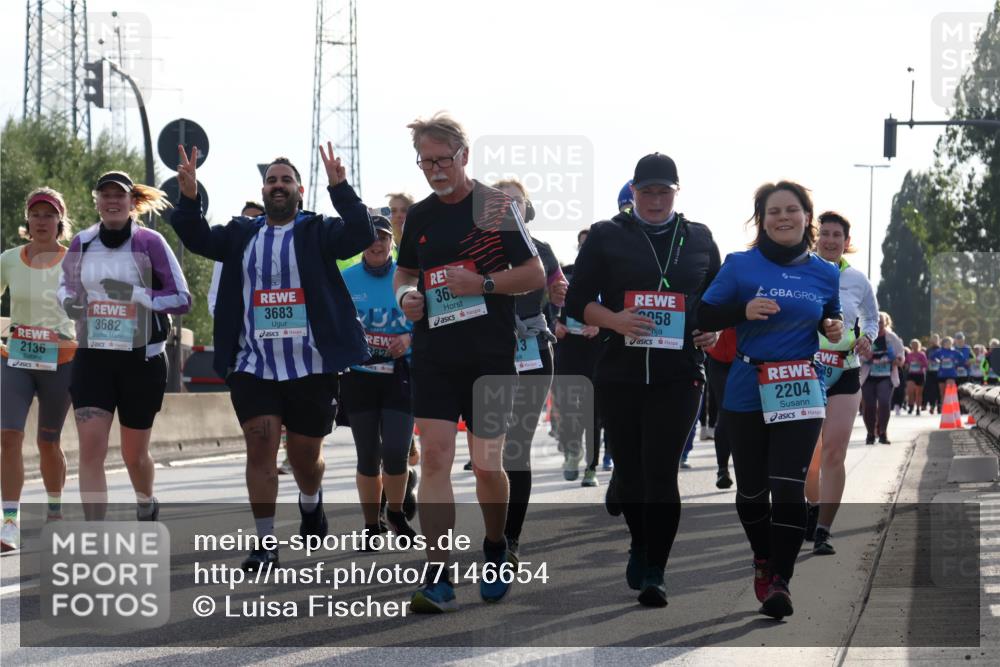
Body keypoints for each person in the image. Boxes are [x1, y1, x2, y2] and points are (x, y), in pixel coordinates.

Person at [170, 144, 374, 570]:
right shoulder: (240, 233)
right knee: (260, 449)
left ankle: (310, 500)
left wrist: (341, 188)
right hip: (254, 364)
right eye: (271, 181)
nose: (278, 186)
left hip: (310, 365)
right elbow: (197, 237)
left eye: (286, 180)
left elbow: (361, 235)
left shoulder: (318, 230)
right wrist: (189, 197)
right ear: (262, 190)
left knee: (304, 458)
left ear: (300, 190)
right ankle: (265, 543)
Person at [394, 113, 544, 612]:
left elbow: (533, 273)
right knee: (435, 458)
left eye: (443, 160)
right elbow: (404, 274)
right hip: (434, 354)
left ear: (464, 155)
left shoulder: (495, 207)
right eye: (426, 162)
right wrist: (406, 298)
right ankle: (438, 573)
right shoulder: (419, 216)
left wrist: (482, 284)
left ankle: (496, 546)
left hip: (489, 355)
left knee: (485, 465)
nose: (435, 170)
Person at [566, 153, 721, 608]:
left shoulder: (699, 237)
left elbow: (716, 300)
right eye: (647, 191)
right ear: (633, 192)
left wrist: (713, 330)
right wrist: (614, 320)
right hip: (621, 371)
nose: (655, 200)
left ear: (677, 192)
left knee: (661, 471)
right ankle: (639, 539)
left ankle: (656, 569)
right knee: (631, 474)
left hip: (680, 373)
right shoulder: (606, 235)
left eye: (663, 192)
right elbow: (576, 302)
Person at [698, 180, 843, 620]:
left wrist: (833, 326)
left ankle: (781, 579)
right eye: (774, 211)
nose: (783, 217)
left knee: (788, 487)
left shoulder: (825, 272)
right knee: (752, 491)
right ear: (761, 220)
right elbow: (704, 314)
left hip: (800, 386)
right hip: (748, 386)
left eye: (791, 210)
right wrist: (742, 312)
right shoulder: (740, 265)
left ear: (806, 217)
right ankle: (762, 556)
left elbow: (830, 314)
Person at [59, 171, 191, 521]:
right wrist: (69, 303)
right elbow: (65, 286)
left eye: (119, 195)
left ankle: (145, 501)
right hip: (93, 357)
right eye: (106, 195)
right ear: (97, 202)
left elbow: (181, 298)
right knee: (91, 449)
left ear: (132, 202)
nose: (112, 201)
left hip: (141, 360)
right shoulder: (83, 242)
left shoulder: (150, 242)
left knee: (134, 455)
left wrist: (133, 294)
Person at [491, 178, 567, 554]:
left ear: (527, 209)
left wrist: (559, 293)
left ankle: (510, 537)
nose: (509, 207)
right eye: (500, 202)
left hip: (533, 353)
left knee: (516, 447)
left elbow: (560, 290)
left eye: (516, 202)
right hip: (488, 356)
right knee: (490, 450)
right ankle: (494, 531)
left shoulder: (543, 251)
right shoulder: (479, 252)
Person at [1, 188, 77, 551]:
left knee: (48, 443)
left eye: (49, 215)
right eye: (35, 215)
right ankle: (9, 523)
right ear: (27, 221)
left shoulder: (74, 260)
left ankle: (55, 512)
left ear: (60, 222)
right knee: (8, 437)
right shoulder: (9, 260)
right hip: (15, 358)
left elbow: (91, 304)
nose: (41, 221)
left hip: (60, 361)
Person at [802, 211, 878, 556]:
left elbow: (872, 318)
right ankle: (813, 506)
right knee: (810, 456)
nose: (831, 240)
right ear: (816, 237)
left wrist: (868, 337)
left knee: (834, 451)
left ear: (847, 242)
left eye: (838, 235)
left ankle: (824, 529)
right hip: (807, 369)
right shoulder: (801, 272)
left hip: (845, 369)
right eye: (826, 234)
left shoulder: (858, 280)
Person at [341, 216, 418, 541]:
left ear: (391, 242)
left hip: (400, 375)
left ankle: (396, 513)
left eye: (383, 237)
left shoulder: (408, 276)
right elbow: (331, 319)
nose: (377, 243)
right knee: (368, 455)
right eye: (371, 237)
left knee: (397, 451)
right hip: (360, 377)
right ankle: (372, 524)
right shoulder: (346, 278)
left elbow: (430, 318)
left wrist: (409, 338)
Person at [207, 201, 265, 317]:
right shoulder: (229, 252)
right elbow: (215, 295)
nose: (251, 222)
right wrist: (223, 317)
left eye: (256, 218)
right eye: (246, 219)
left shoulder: (276, 248)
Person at [860, 312, 905, 444]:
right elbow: (856, 354)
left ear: (886, 323)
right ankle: (870, 433)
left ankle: (882, 432)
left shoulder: (892, 337)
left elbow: (901, 354)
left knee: (884, 402)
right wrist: (865, 356)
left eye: (881, 322)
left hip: (886, 375)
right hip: (868, 376)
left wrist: (898, 360)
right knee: (869, 405)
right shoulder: (865, 336)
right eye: (876, 322)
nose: (878, 325)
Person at [704, 327, 737, 488]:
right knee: (726, 414)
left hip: (752, 357)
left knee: (750, 417)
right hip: (720, 359)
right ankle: (722, 469)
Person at [905, 339, 929, 414]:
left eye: (916, 345)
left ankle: (918, 408)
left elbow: (926, 365)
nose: (915, 346)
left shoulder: (922, 354)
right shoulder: (909, 355)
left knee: (919, 393)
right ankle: (911, 406)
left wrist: (919, 363)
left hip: (920, 374)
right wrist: (907, 365)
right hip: (911, 374)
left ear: (919, 346)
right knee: (910, 390)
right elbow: (906, 363)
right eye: (913, 345)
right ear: (911, 346)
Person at [923, 333, 942, 414]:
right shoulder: (928, 350)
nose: (934, 341)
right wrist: (927, 362)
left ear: (939, 340)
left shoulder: (941, 349)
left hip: (939, 372)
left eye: (936, 339)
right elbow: (925, 360)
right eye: (933, 339)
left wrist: (939, 361)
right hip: (930, 371)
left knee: (939, 389)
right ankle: (932, 405)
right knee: (931, 389)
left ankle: (939, 405)